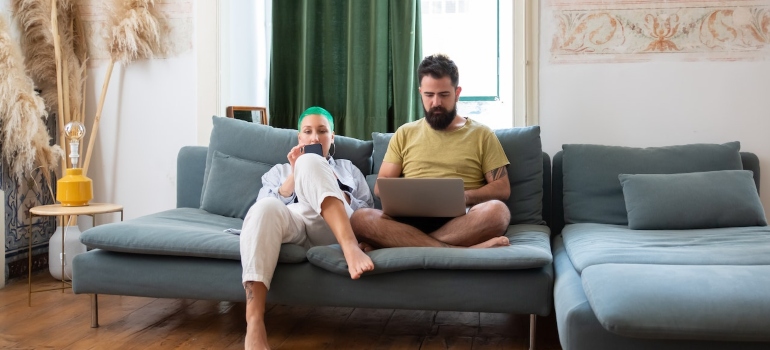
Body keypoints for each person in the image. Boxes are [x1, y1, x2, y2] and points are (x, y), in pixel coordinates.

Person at [240, 106, 374, 350]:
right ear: (299, 137)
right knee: (263, 209)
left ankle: (350, 247)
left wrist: (336, 189)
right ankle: (254, 321)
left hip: (335, 226)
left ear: (332, 137)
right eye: (308, 132)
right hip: (296, 224)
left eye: (322, 131)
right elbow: (262, 212)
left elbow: (367, 211)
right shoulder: (277, 172)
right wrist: (294, 173)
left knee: (311, 163)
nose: (314, 137)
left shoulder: (349, 169)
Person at [350, 54, 512, 250]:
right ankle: (454, 249)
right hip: (408, 220)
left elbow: (502, 188)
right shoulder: (405, 133)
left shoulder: (482, 134)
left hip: (461, 221)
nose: (436, 102)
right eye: (429, 95)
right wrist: (407, 196)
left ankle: (403, 242)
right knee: (360, 218)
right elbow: (380, 187)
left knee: (498, 212)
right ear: (420, 93)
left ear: (457, 92)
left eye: (444, 95)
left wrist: (466, 196)